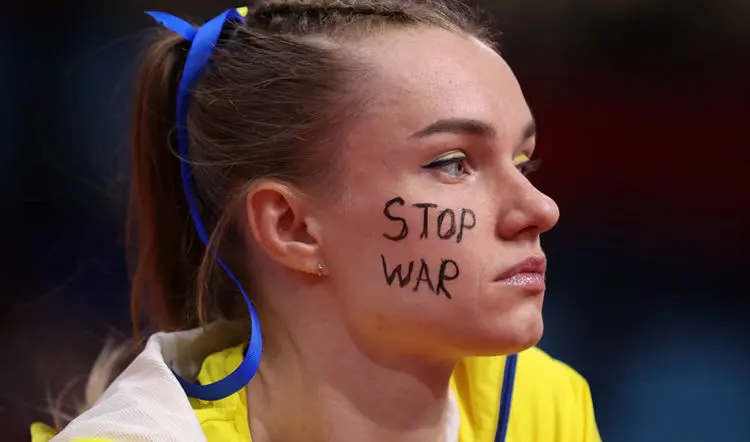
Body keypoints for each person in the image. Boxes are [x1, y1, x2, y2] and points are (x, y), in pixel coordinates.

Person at [31, 1, 601, 441]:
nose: (540, 209)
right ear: (292, 227)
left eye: (522, 162)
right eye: (453, 163)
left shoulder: (538, 406)